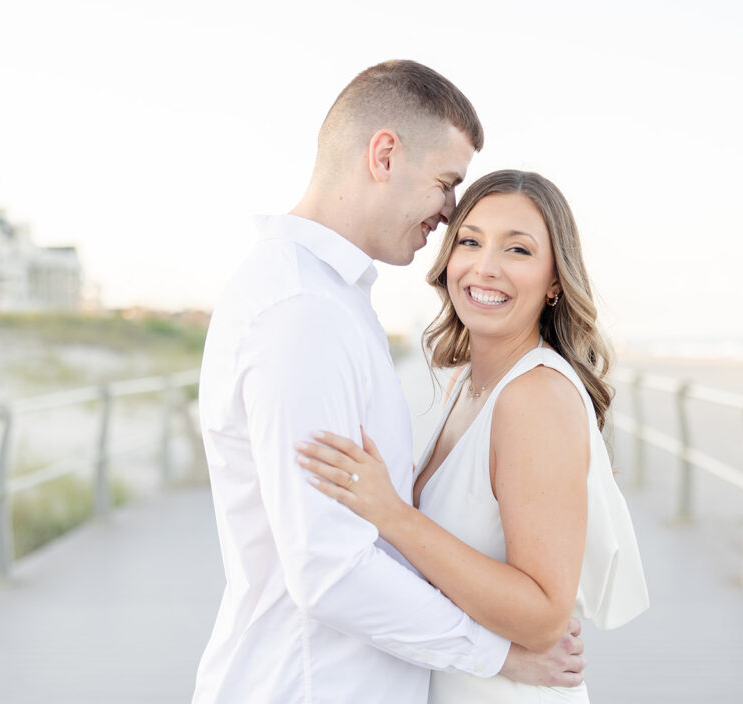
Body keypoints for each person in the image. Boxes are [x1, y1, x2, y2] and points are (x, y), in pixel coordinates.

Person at [193, 62, 586, 704]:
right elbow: (330, 569)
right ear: (383, 154)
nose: (450, 212)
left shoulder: (327, 298)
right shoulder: (305, 312)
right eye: (445, 182)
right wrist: (497, 656)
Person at [297, 170, 650, 702]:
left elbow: (543, 618)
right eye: (470, 241)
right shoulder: (466, 382)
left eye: (518, 250)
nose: (486, 268)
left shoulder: (534, 397)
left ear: (555, 280)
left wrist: (392, 515)